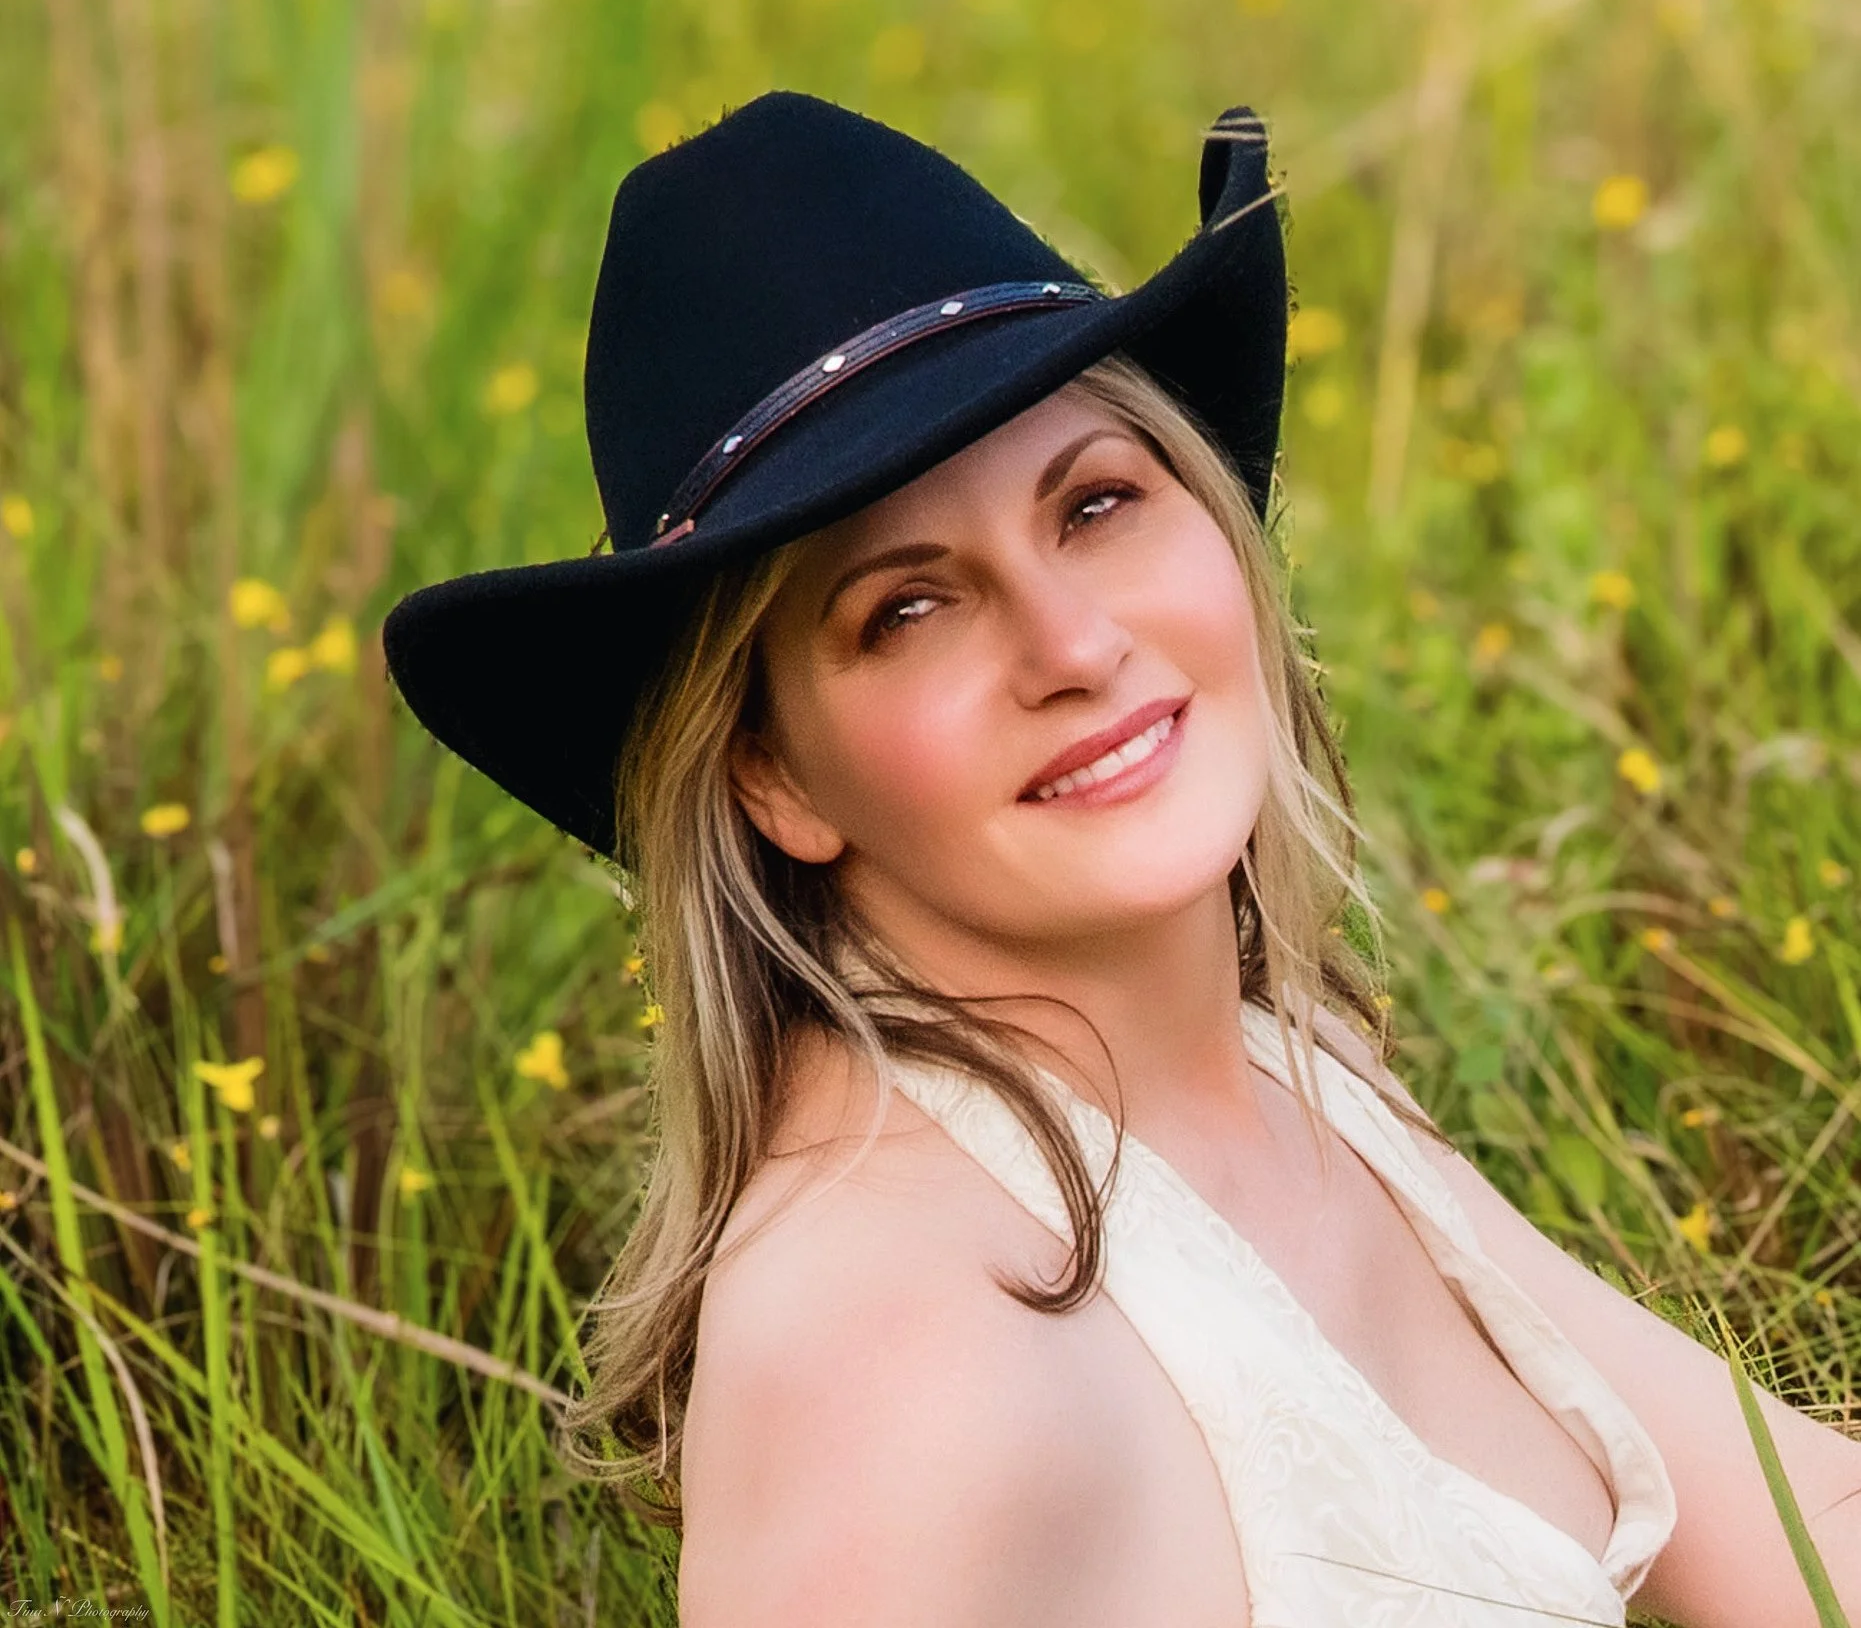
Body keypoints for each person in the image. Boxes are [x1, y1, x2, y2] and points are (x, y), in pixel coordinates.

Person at [384, 92, 1861, 1626]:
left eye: (1096, 504)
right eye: (906, 607)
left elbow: (1801, 1524)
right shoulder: (893, 1347)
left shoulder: (1285, 1083)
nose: (1075, 644)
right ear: (771, 776)